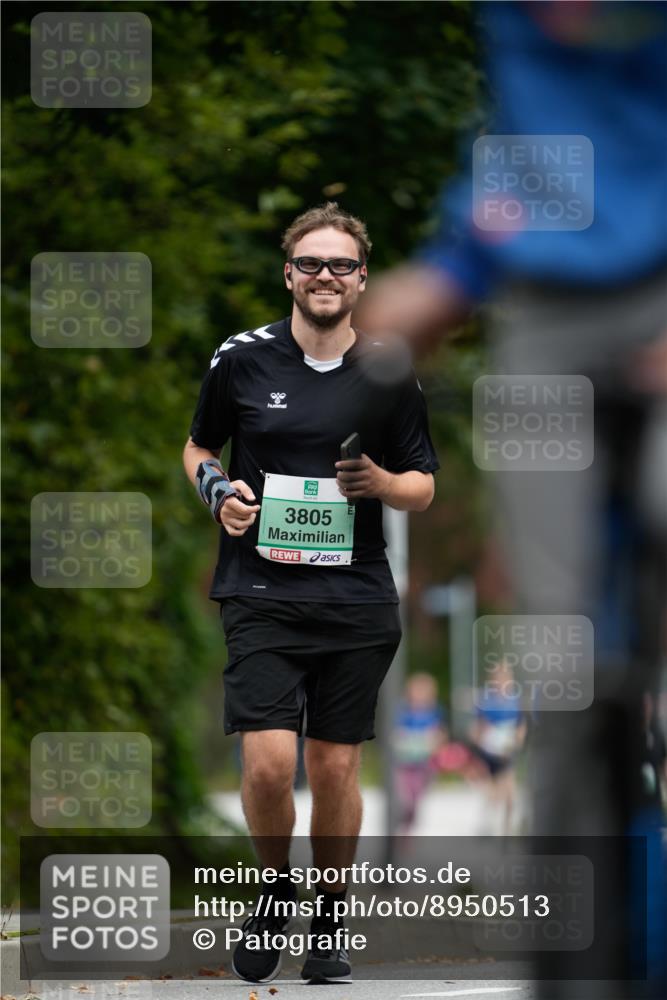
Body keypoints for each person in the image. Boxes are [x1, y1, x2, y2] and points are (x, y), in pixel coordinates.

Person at [183, 202, 438, 985]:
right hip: (260, 588)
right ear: (287, 274)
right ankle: (273, 890)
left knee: (332, 769)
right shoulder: (242, 358)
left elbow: (423, 486)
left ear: (361, 280)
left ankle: (327, 919)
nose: (324, 276)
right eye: (309, 263)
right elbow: (199, 445)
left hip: (355, 597)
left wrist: (381, 482)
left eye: (340, 265)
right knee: (265, 766)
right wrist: (218, 490)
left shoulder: (389, 368)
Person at [394, 672, 447, 833]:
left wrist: (434, 740)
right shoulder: (403, 711)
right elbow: (396, 733)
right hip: (404, 763)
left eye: (424, 691)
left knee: (416, 802)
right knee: (405, 799)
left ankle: (407, 828)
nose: (419, 695)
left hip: (424, 764)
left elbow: (441, 734)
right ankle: (399, 822)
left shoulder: (435, 711)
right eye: (416, 690)